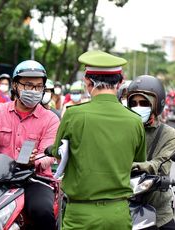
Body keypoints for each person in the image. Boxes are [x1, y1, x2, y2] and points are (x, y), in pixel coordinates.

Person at [51, 50, 146, 230]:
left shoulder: (73, 115)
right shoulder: (135, 121)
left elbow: (57, 154)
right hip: (119, 214)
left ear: (88, 82)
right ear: (120, 82)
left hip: (80, 215)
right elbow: (139, 160)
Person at [0, 60, 60, 229]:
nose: (33, 91)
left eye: (38, 86)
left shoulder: (51, 119)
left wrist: (34, 161)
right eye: (28, 85)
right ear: (15, 85)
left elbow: (49, 154)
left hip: (36, 180)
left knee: (42, 211)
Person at [127, 75, 175, 229]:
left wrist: (135, 166)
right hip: (125, 205)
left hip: (159, 211)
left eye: (144, 103)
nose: (138, 107)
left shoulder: (168, 134)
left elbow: (160, 164)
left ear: (156, 104)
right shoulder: (124, 130)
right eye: (133, 103)